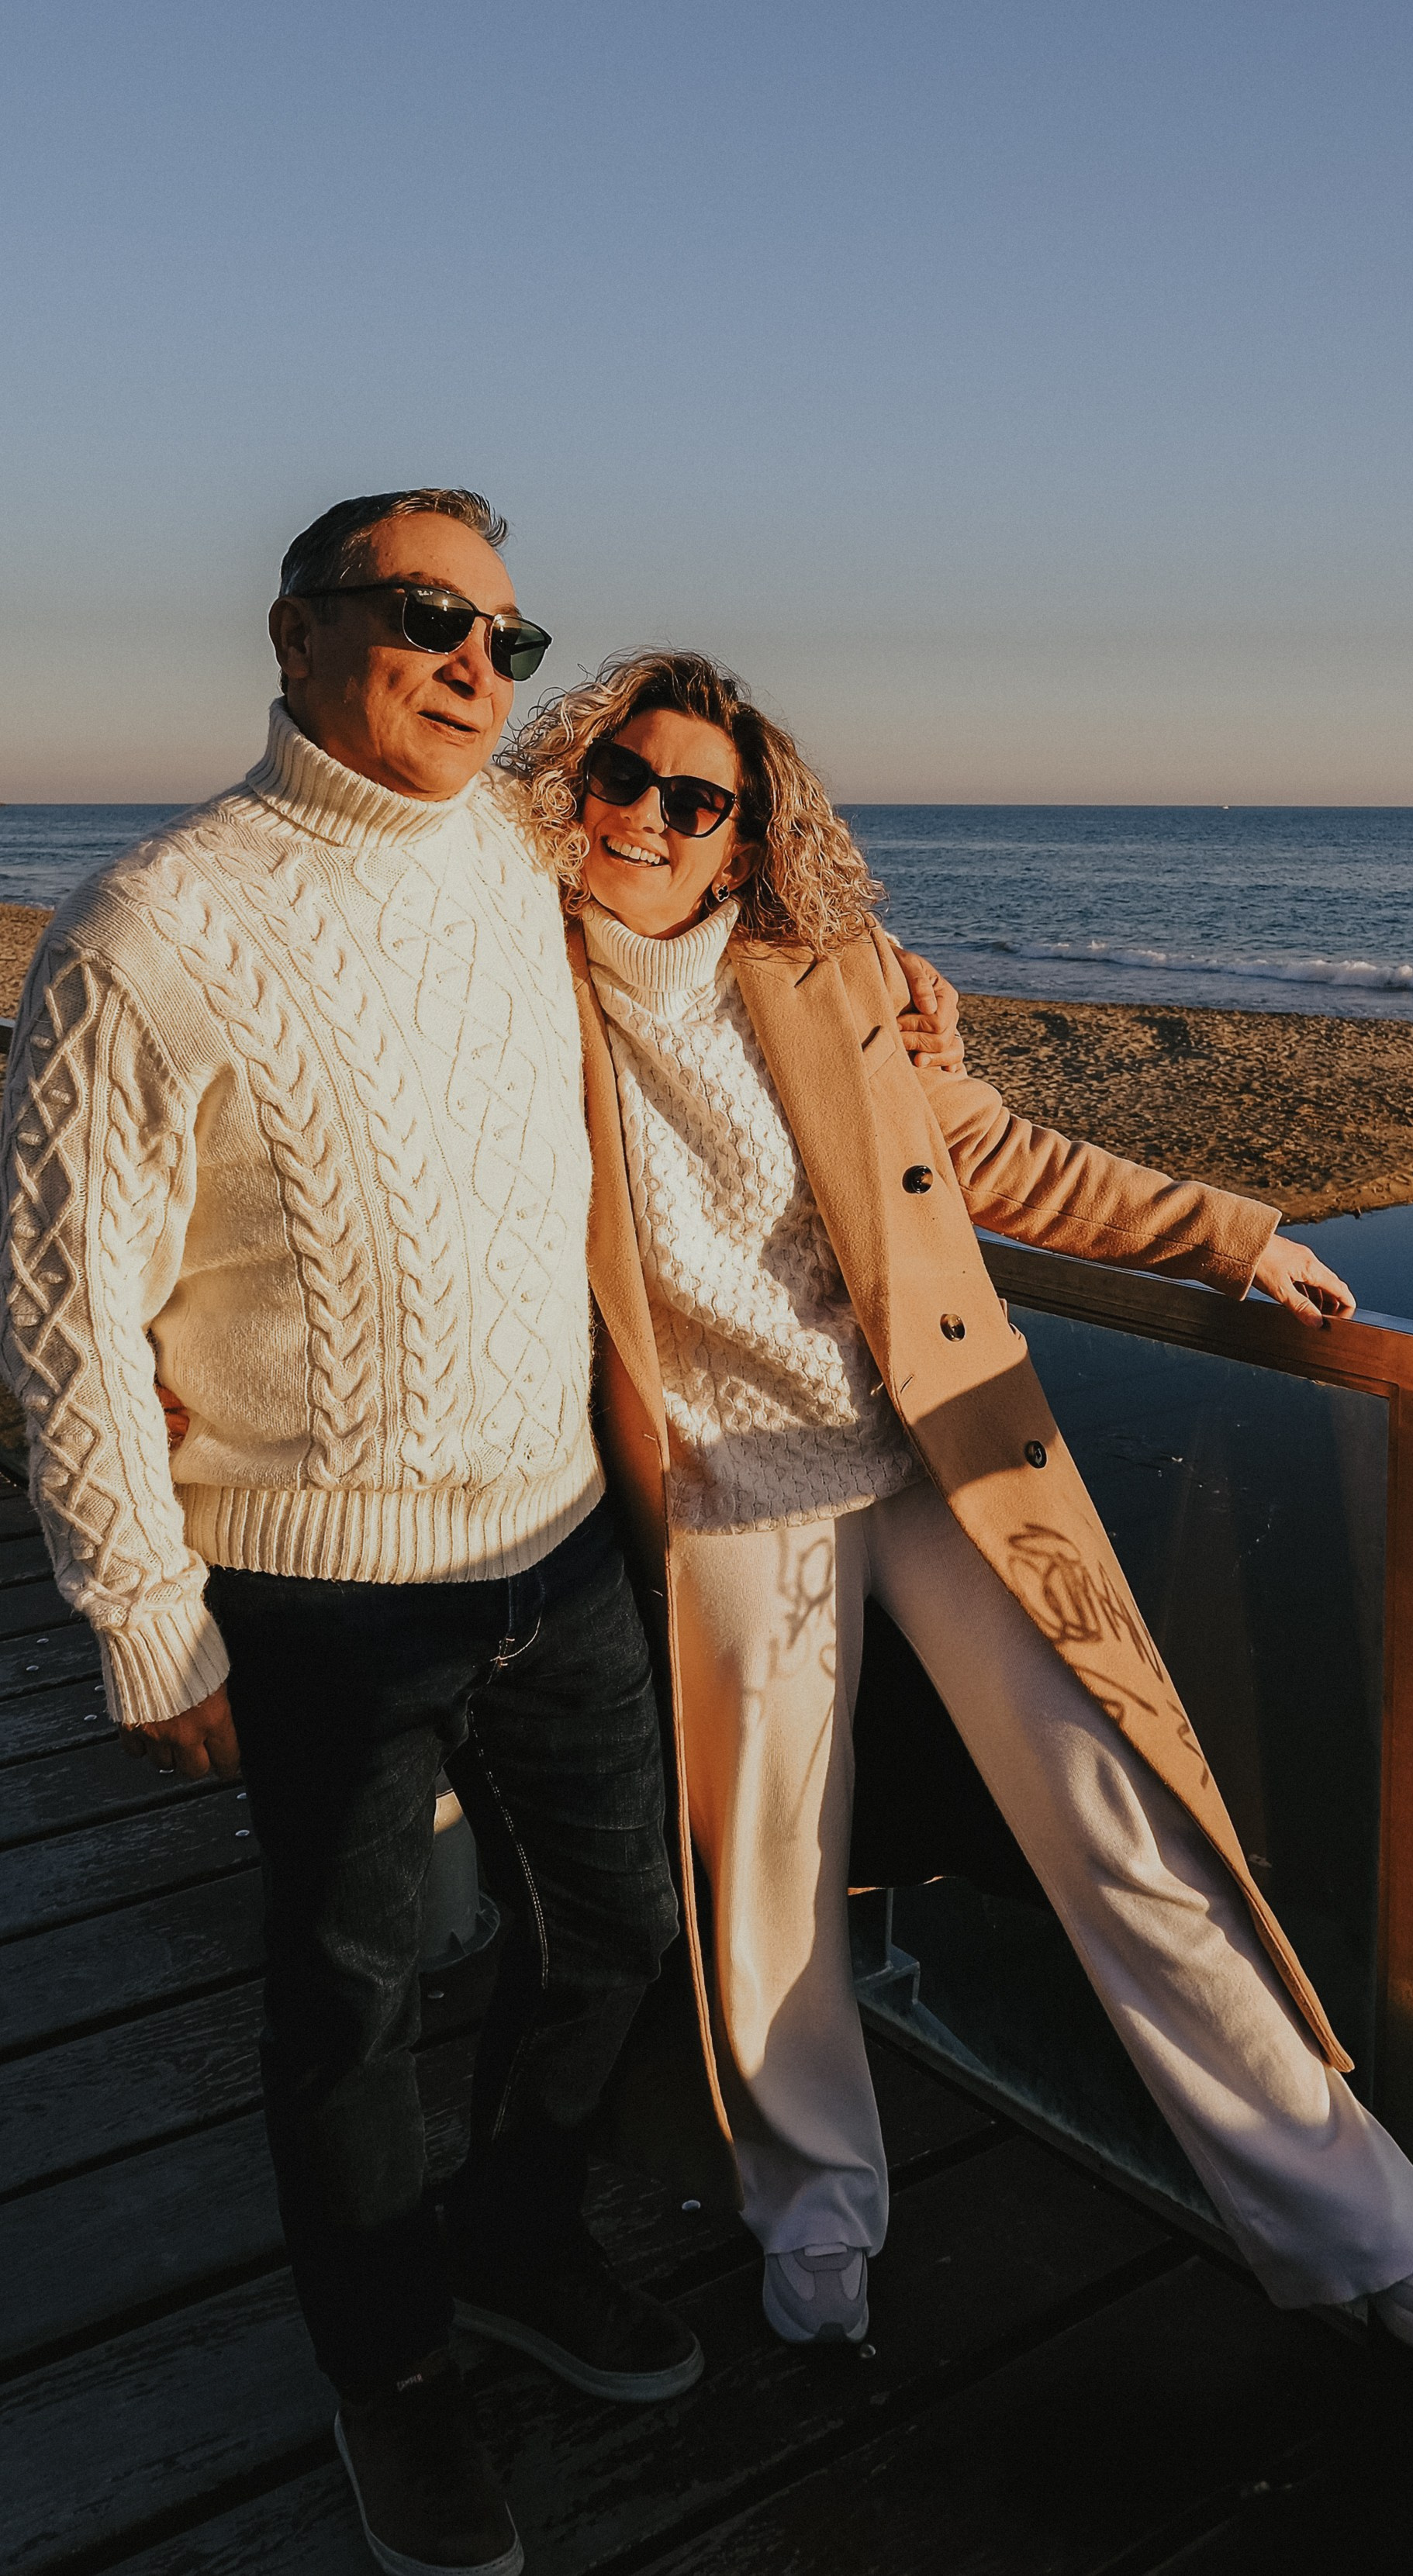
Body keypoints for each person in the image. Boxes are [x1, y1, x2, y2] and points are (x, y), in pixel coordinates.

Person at [0, 496, 958, 2576]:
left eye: (509, 638)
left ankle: (517, 2242)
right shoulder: (148, 928)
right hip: (314, 1587)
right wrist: (141, 1609)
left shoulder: (525, 863)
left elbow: (710, 919)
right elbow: (61, 1305)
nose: (473, 663)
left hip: (556, 1546)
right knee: (345, 2005)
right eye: (428, 615)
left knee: (613, 1930)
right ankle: (393, 2367)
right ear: (295, 633)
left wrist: (893, 993)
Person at [503, 647, 1413, 2361]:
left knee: (1117, 1810)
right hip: (721, 1493)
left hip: (931, 1455)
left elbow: (989, 1154)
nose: (651, 818)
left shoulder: (829, 974)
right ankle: (815, 2206)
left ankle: (1358, 2213)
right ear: (574, 782)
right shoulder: (505, 979)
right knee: (769, 1870)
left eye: (698, 798)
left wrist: (1231, 1232)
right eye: (626, 778)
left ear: (745, 835)